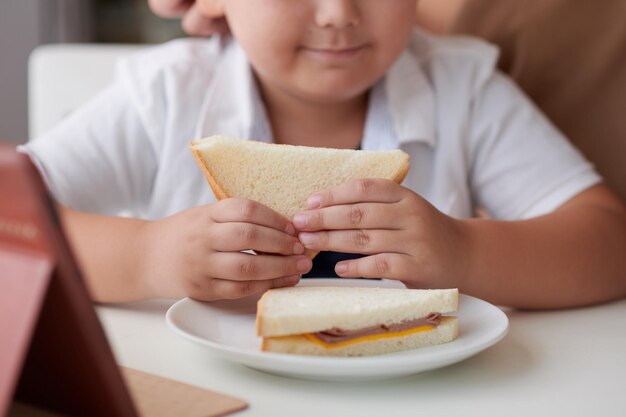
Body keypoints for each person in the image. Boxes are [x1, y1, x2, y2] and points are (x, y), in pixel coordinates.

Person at [23, 0, 625, 309]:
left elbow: (607, 243)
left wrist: (463, 250)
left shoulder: (462, 87)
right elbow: (10, 221)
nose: (339, 14)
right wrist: (144, 257)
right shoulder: (165, 95)